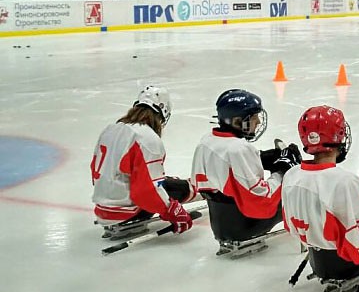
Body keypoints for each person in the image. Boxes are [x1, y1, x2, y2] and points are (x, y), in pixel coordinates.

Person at [281, 105, 359, 279]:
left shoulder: (291, 175)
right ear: (337, 136)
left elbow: (292, 223)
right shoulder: (345, 181)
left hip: (317, 257)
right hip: (346, 262)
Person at [192, 89, 298, 243]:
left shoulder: (206, 141)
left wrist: (261, 158)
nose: (259, 122)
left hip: (222, 223)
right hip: (247, 225)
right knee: (296, 191)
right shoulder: (239, 149)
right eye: (254, 118)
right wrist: (281, 170)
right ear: (236, 122)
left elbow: (227, 169)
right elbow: (261, 200)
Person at [91, 85, 195, 235]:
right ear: (164, 112)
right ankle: (206, 191)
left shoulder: (110, 129)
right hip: (127, 213)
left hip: (102, 208)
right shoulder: (147, 139)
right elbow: (147, 191)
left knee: (163, 181)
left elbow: (95, 170)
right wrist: (174, 211)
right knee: (172, 186)